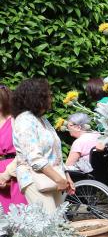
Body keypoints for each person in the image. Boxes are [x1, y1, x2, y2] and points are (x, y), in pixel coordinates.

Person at [11, 78, 74, 212]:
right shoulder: (24, 120)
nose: (51, 98)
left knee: (59, 224)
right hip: (35, 180)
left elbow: (55, 153)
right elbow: (35, 158)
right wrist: (59, 179)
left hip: (54, 179)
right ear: (36, 97)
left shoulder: (42, 120)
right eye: (48, 95)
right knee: (50, 226)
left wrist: (66, 177)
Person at [0, 85, 27, 211]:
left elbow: (24, 150)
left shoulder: (17, 120)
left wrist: (6, 175)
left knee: (19, 214)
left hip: (16, 171)